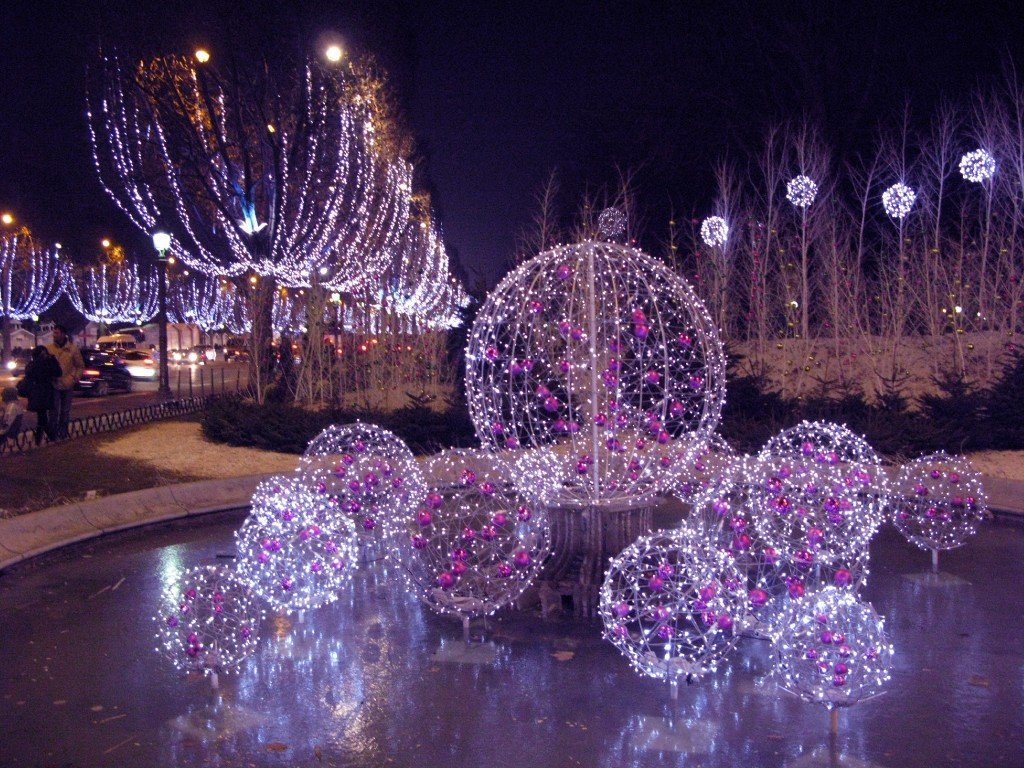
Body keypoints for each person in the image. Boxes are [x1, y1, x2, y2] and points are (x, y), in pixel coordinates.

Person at [47, 323, 85, 440]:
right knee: (53, 411)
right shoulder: (49, 349)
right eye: (54, 332)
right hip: (54, 384)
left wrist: (75, 377)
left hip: (68, 383)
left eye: (57, 333)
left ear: (63, 334)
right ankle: (53, 434)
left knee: (65, 410)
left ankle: (62, 433)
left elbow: (80, 366)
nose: (54, 335)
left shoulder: (72, 349)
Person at [21, 345, 61, 444]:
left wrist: (52, 359)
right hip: (39, 393)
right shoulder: (35, 364)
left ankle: (42, 440)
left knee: (42, 417)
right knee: (42, 417)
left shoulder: (42, 363)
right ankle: (49, 438)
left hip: (42, 393)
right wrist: (48, 360)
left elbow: (58, 372)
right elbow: (34, 373)